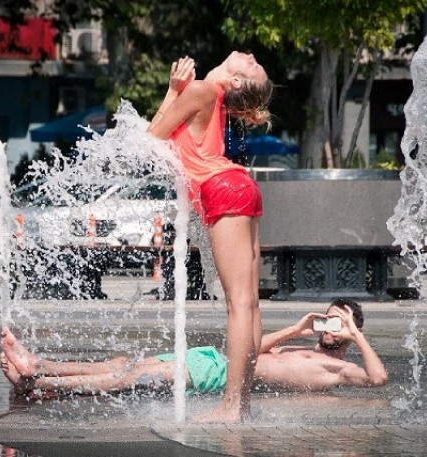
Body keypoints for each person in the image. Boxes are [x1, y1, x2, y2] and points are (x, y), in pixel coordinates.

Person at [146, 52, 274, 422]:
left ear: (235, 82)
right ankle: (241, 404)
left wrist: (172, 91)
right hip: (241, 185)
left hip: (222, 189)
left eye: (251, 66)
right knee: (249, 304)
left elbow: (152, 139)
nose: (250, 56)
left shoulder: (201, 91)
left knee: (238, 304)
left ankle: (231, 406)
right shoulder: (213, 99)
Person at [0, 299, 388, 408]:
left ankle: (41, 383)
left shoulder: (340, 368)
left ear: (354, 331)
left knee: (130, 378)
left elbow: (378, 379)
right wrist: (299, 327)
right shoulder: (301, 345)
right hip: (212, 359)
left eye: (342, 322)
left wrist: (355, 333)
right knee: (124, 365)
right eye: (331, 318)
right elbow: (252, 349)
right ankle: (39, 366)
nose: (332, 326)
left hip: (217, 376)